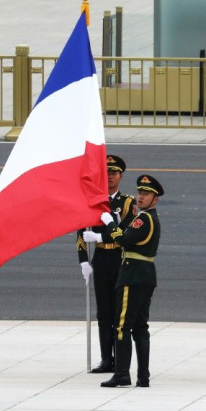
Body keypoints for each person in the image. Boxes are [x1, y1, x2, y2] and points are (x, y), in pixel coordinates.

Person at [97, 174, 163, 388]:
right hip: (146, 274)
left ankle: (122, 374)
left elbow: (124, 241)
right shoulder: (150, 218)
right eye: (140, 193)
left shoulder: (143, 218)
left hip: (132, 274)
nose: (140, 197)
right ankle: (143, 376)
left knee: (122, 326)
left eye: (146, 194)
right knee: (141, 327)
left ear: (155, 199)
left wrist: (109, 225)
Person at [78, 155, 136, 374]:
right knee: (103, 312)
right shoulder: (93, 199)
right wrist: (83, 260)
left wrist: (102, 238)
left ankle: (120, 359)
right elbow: (81, 231)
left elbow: (127, 233)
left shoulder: (128, 203)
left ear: (121, 176)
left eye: (114, 173)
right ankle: (106, 358)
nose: (110, 176)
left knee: (119, 313)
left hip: (119, 258)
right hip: (101, 259)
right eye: (107, 173)